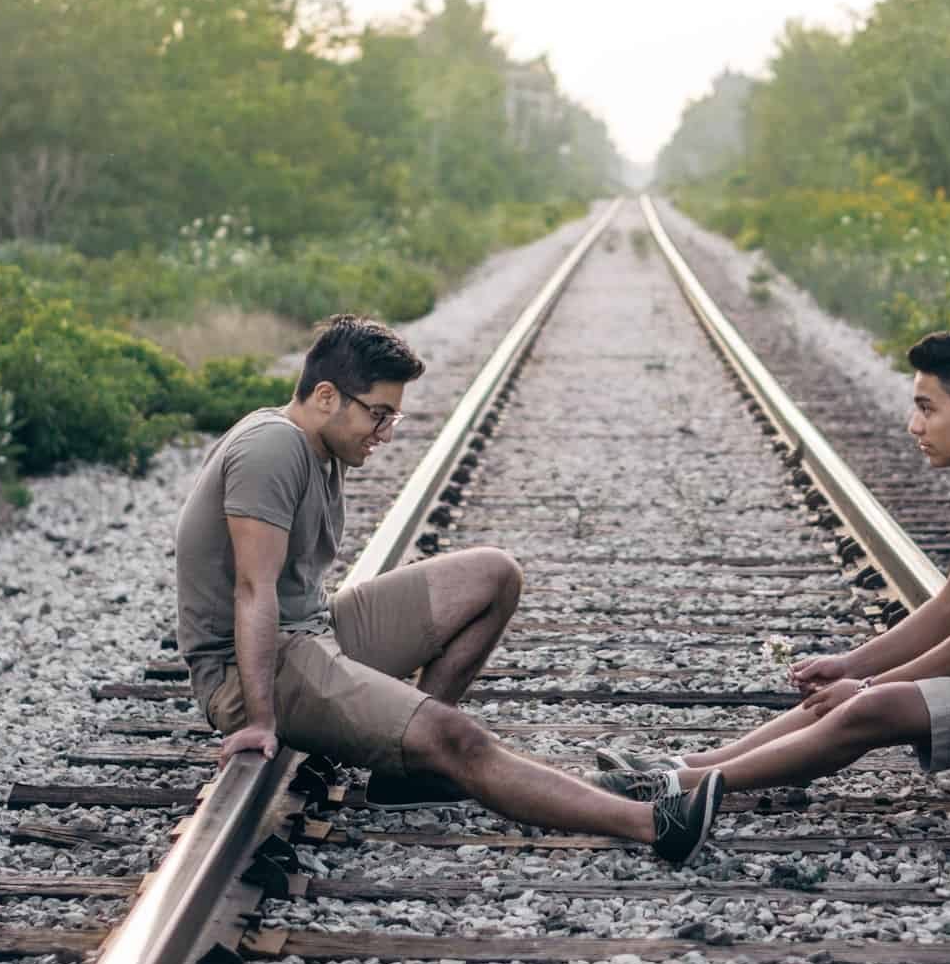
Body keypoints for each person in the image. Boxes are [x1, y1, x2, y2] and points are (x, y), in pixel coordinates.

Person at [175, 313, 723, 864]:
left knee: (493, 574)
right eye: (378, 414)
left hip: (313, 631)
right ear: (325, 395)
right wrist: (261, 718)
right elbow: (253, 590)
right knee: (454, 736)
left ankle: (405, 773)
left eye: (393, 416)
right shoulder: (272, 448)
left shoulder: (320, 448)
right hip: (248, 669)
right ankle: (655, 824)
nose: (385, 433)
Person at [588, 331, 950, 800]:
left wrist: (864, 687)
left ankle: (684, 785)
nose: (914, 425)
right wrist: (849, 664)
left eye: (927, 408)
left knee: (874, 706)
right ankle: (691, 762)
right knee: (857, 692)